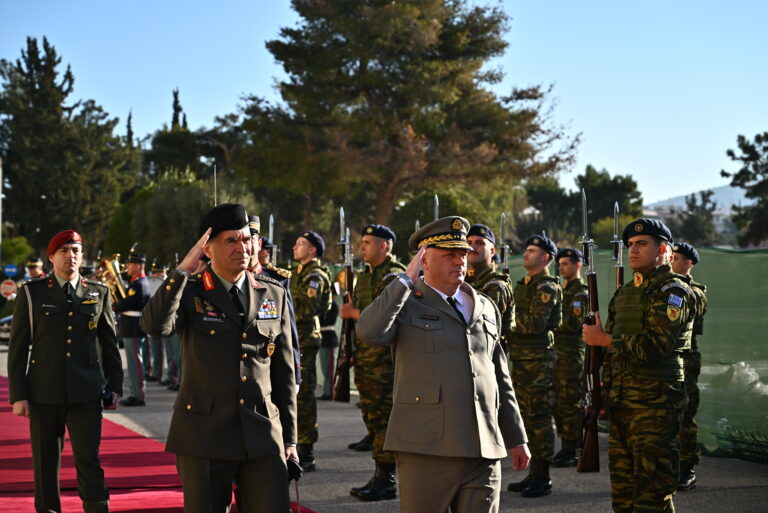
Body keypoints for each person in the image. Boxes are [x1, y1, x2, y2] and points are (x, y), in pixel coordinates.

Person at [356, 216, 530, 513]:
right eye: (449, 254)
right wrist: (405, 280)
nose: (459, 261)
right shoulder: (407, 302)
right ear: (424, 259)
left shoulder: (485, 305)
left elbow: (500, 377)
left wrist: (516, 436)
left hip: (482, 449)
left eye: (463, 254)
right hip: (427, 450)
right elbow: (368, 332)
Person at [140, 203, 297, 513]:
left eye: (246, 239)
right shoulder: (189, 292)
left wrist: (290, 439)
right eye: (231, 240)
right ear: (207, 249)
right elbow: (154, 326)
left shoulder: (273, 293)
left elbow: (284, 372)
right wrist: (182, 271)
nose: (243, 247)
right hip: (204, 436)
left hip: (262, 434)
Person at [583, 218, 695, 513]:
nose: (633, 250)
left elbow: (655, 346)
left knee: (651, 497)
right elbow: (612, 354)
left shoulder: (673, 291)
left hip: (655, 407)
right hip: (623, 405)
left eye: (642, 244)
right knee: (623, 497)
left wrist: (603, 340)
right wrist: (601, 392)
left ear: (664, 250)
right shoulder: (625, 293)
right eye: (630, 244)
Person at [7, 230, 123, 513]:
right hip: (43, 393)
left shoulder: (99, 292)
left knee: (89, 458)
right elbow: (18, 348)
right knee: (45, 462)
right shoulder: (32, 293)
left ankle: (96, 507)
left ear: (82, 256)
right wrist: (18, 396)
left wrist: (116, 387)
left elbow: (109, 345)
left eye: (75, 250)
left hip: (86, 393)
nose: (71, 256)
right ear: (51, 257)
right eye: (64, 251)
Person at [340, 224, 406, 501]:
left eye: (368, 242)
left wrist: (354, 313)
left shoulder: (394, 275)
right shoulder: (365, 276)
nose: (362, 246)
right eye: (362, 241)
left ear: (385, 246)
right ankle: (381, 473)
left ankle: (386, 478)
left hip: (385, 362)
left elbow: (384, 314)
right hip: (367, 358)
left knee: (384, 420)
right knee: (372, 416)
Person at [506, 234, 561, 497]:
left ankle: (543, 476)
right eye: (525, 250)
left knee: (539, 418)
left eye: (531, 250)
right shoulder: (524, 284)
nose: (525, 254)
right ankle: (533, 473)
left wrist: (508, 323)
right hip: (522, 359)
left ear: (546, 257)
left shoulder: (547, 287)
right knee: (526, 418)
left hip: (538, 361)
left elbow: (536, 325)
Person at [290, 230, 332, 471]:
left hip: (305, 338)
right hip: (295, 337)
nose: (296, 247)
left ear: (313, 250)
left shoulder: (314, 275)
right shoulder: (299, 273)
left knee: (304, 395)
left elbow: (306, 309)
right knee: (294, 394)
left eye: (301, 243)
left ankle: (306, 450)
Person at [671, 242, 708, 491]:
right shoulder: (666, 288)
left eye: (676, 258)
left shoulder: (694, 292)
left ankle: (687, 469)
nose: (671, 261)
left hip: (686, 359)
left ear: (689, 263)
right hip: (667, 358)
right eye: (669, 256)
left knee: (685, 413)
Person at [248, 216, 301, 385]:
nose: (246, 246)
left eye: (251, 240)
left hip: (270, 369)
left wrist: (295, 375)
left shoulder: (277, 281)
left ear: (259, 244)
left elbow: (289, 333)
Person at [552, 247, 588, 467]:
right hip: (558, 353)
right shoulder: (561, 289)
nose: (562, 267)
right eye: (560, 264)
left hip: (572, 355)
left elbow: (575, 324)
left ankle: (573, 447)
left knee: (570, 403)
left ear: (578, 265)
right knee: (559, 402)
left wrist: (549, 322)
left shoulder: (580, 293)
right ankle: (567, 445)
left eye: (566, 263)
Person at [113, 249, 151, 407]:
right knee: (134, 362)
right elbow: (126, 300)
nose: (127, 267)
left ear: (138, 266)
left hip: (134, 327)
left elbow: (128, 303)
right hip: (131, 327)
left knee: (135, 362)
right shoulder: (136, 283)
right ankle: (136, 392)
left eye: (130, 264)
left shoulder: (140, 284)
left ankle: (138, 395)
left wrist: (114, 305)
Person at [466, 224, 515, 344]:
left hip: (487, 353)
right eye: (469, 242)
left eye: (480, 243)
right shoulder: (465, 279)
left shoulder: (495, 285)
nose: (472, 247)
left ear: (492, 251)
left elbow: (485, 327)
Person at [317, 298, 338, 401]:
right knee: (324, 368)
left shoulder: (332, 305)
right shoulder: (323, 304)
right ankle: (327, 391)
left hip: (328, 338)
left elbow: (327, 320)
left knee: (329, 370)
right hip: (322, 337)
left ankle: (329, 393)